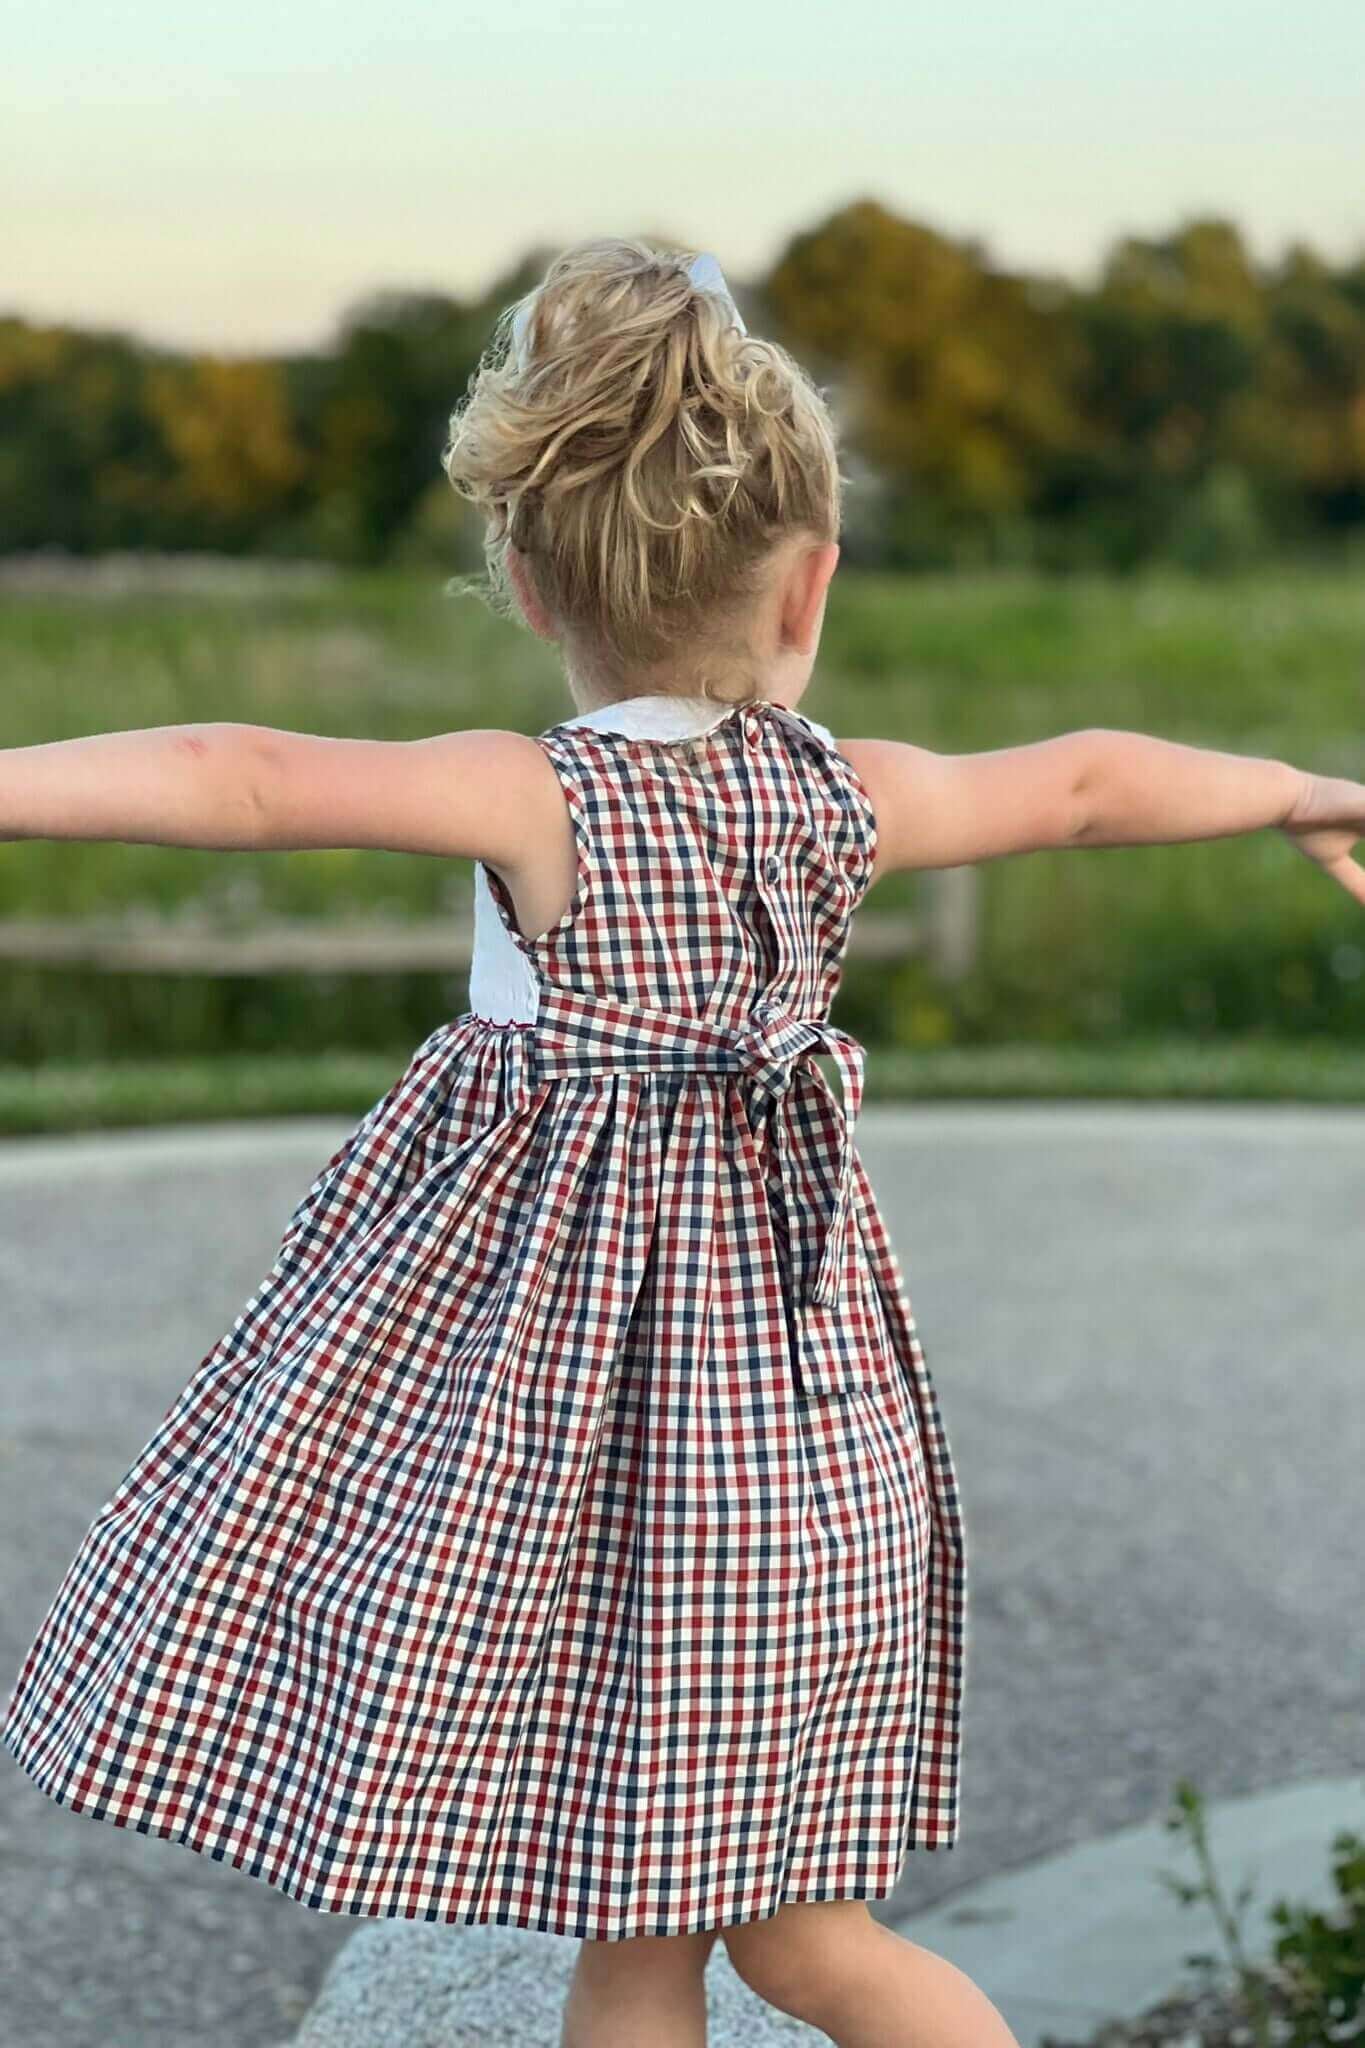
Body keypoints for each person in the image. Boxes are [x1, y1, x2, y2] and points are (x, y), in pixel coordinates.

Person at [2, 237, 1361, 2048]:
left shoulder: (539, 794)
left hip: (588, 1504)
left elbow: (236, 771)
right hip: (789, 1489)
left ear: (524, 576)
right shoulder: (842, 793)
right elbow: (1090, 781)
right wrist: (1295, 790)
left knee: (645, 1942)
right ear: (808, 585)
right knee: (792, 1942)